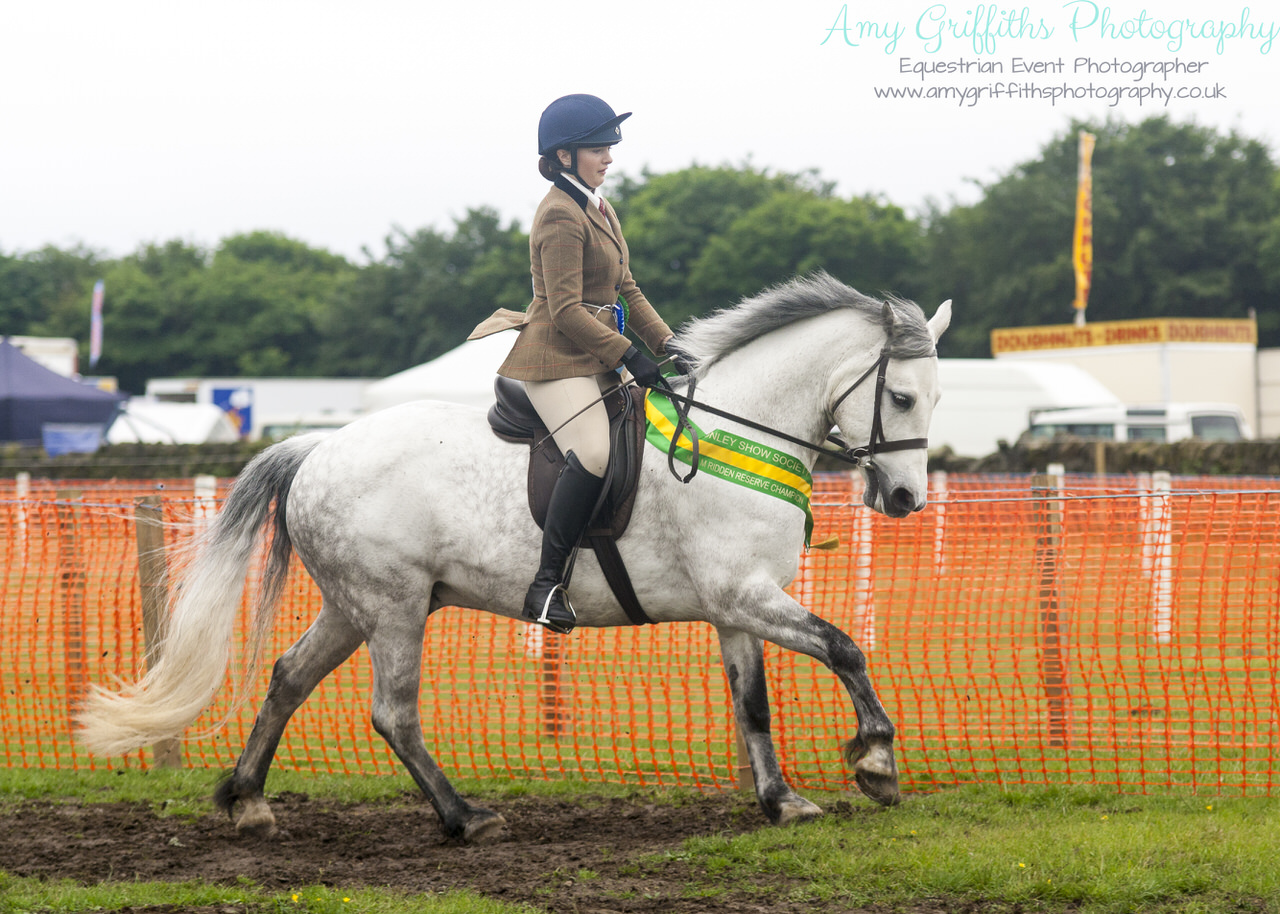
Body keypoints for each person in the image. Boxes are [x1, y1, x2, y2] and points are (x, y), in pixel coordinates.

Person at [470, 93, 676, 635]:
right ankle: (545, 584)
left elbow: (626, 286)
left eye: (610, 146)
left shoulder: (600, 207)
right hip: (555, 358)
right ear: (565, 156)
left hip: (595, 351)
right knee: (591, 450)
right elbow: (563, 311)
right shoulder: (560, 214)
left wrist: (669, 344)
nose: (609, 156)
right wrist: (629, 354)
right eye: (597, 147)